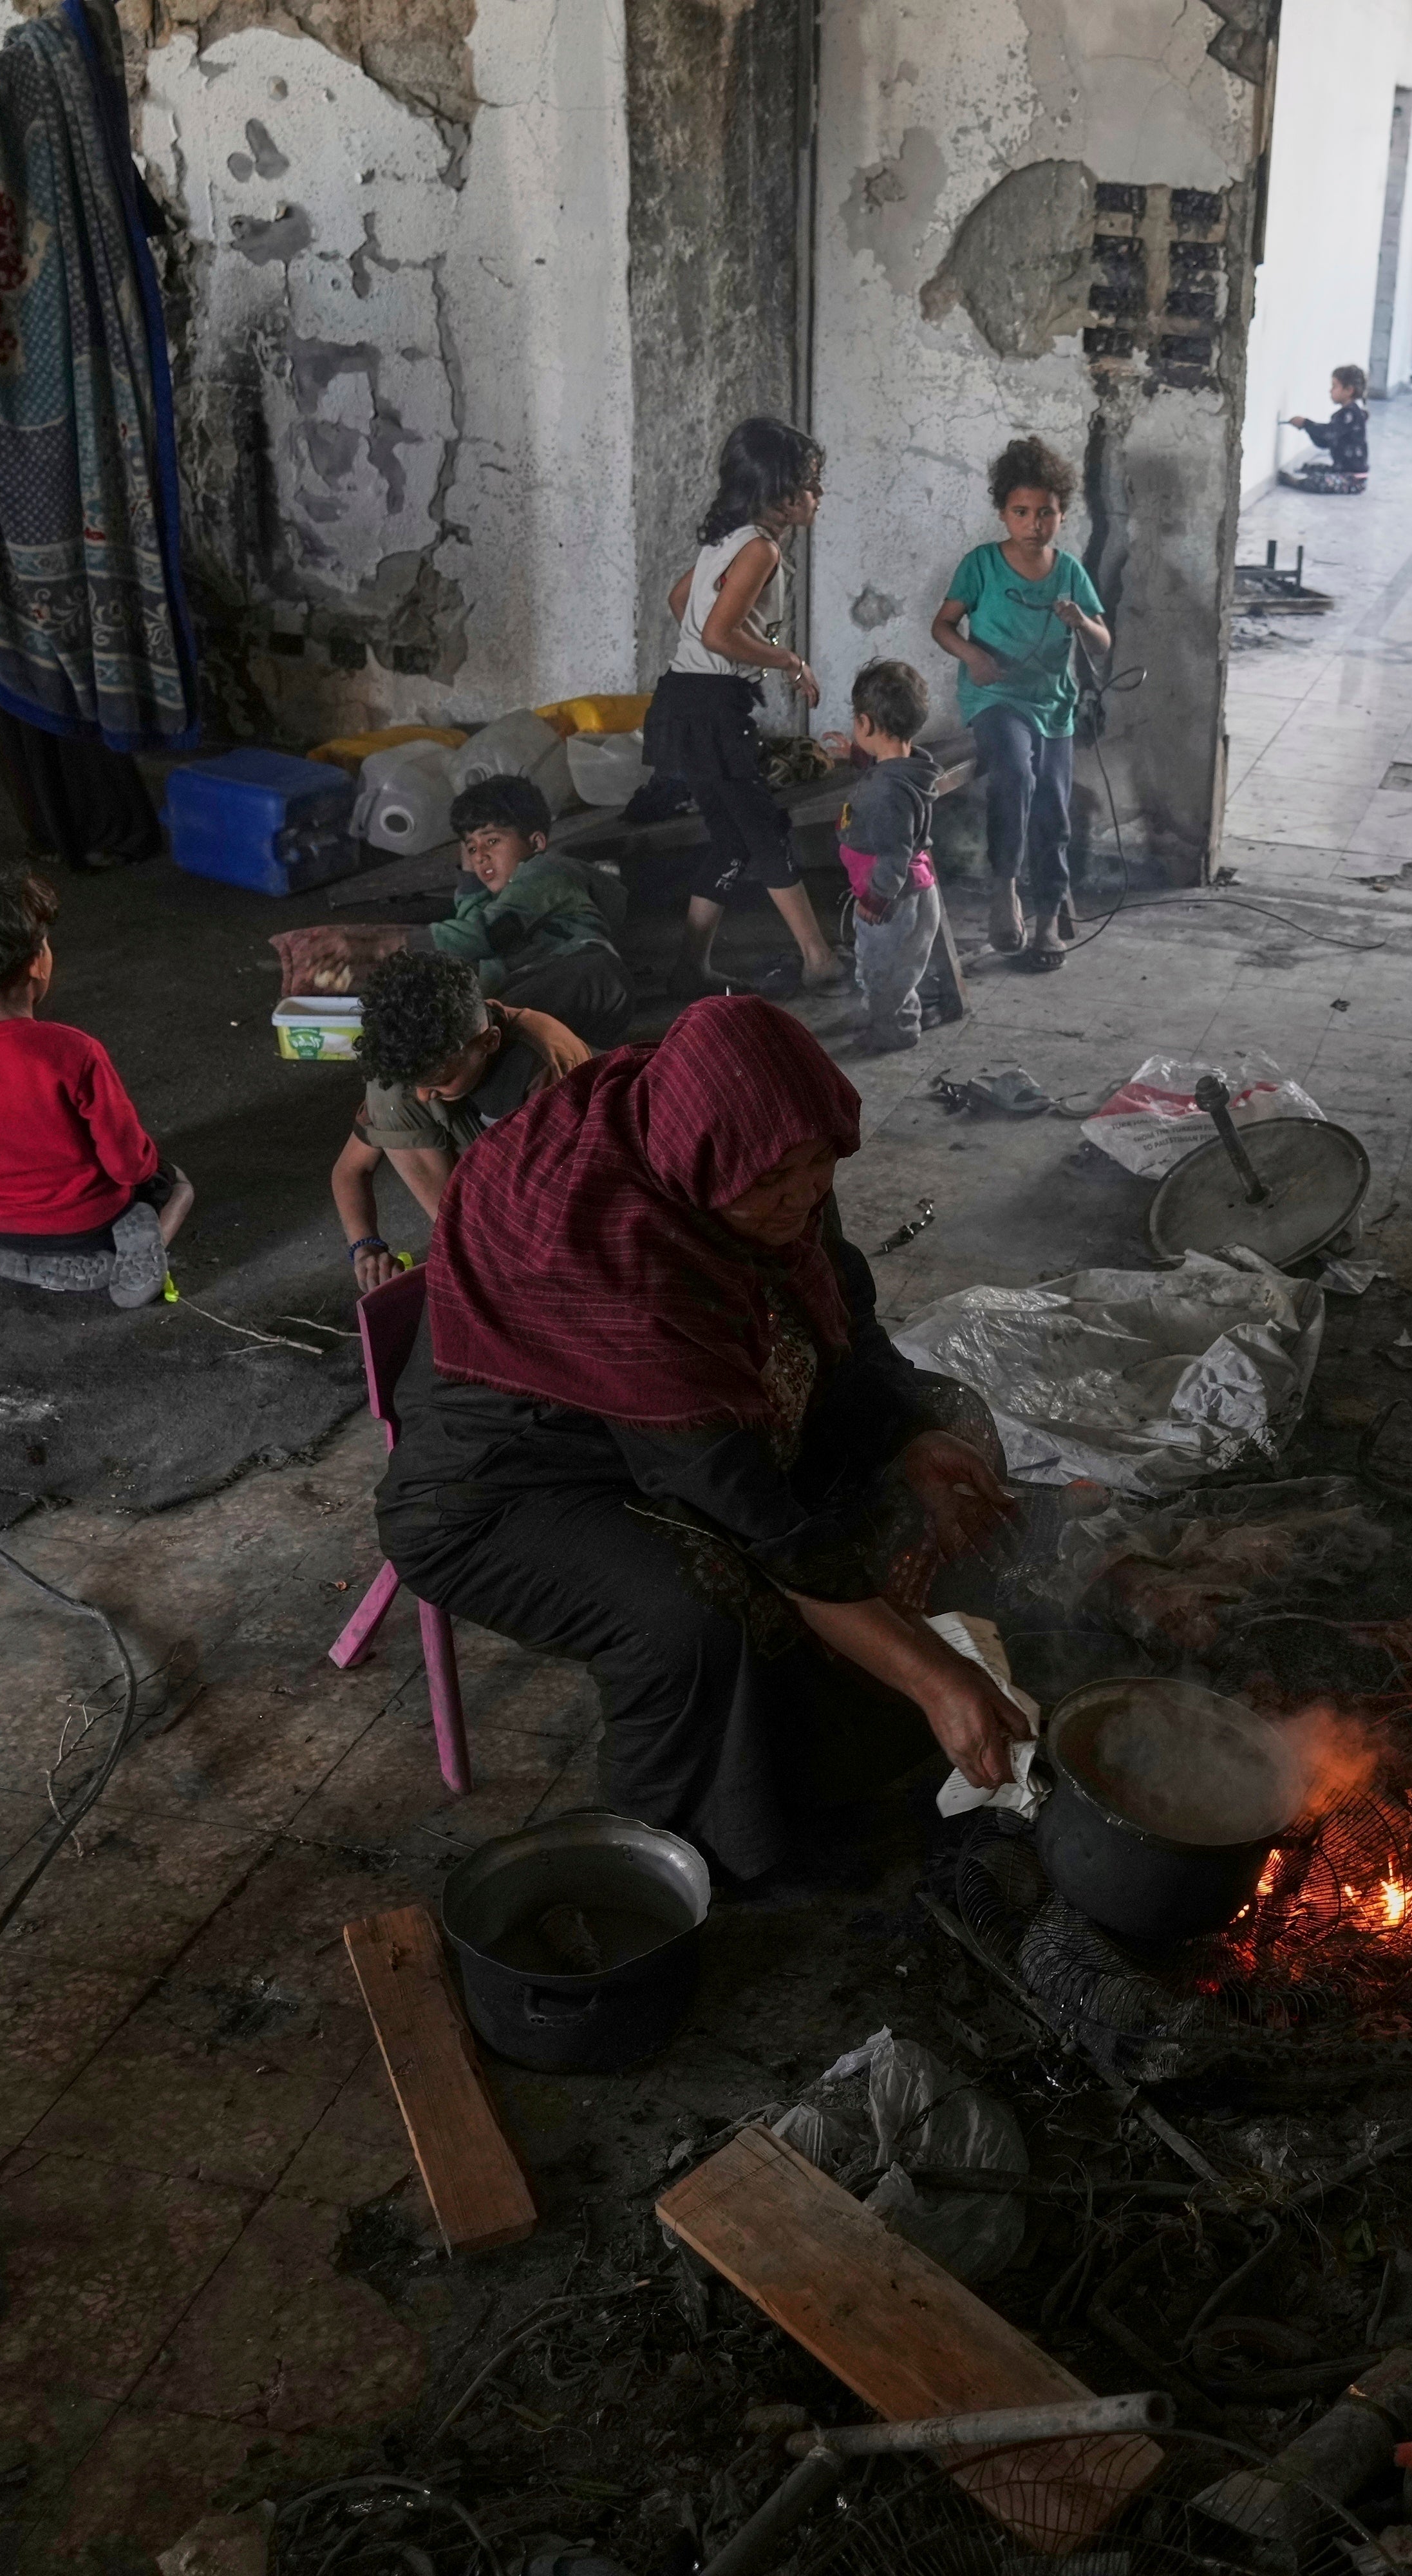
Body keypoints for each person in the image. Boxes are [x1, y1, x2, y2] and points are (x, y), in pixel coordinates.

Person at [373, 997, 1031, 1886]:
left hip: (659, 1427)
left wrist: (911, 1429)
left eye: (818, 1166)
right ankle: (679, 1863)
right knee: (693, 1612)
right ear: (702, 1167)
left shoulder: (741, 1145)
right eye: (773, 1183)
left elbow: (843, 1308)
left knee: (945, 1413)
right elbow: (751, 1511)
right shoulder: (623, 1259)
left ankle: (840, 1730)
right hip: (499, 1492)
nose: (802, 1195)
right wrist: (933, 1677)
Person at [625, 417, 847, 998]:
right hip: (711, 710)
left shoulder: (730, 537)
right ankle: (817, 956)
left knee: (731, 836)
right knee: (764, 831)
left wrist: (721, 653)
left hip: (688, 700)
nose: (819, 495)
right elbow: (721, 634)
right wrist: (788, 661)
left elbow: (683, 603)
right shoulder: (760, 549)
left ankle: (689, 967)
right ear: (778, 492)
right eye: (811, 483)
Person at [0, 866, 196, 1304]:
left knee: (2, 1214)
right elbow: (127, 1165)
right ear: (38, 959)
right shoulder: (72, 1050)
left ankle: (23, 1259)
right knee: (176, 1185)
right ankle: (135, 1241)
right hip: (91, 1221)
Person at [932, 435, 1111, 971]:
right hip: (996, 697)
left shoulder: (1070, 571)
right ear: (1003, 512)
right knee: (1014, 772)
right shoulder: (982, 564)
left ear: (1062, 513)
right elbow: (942, 625)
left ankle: (1049, 918)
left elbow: (1104, 642)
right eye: (1021, 512)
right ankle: (1004, 889)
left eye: (1047, 513)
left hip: (1053, 703)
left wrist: (1082, 622)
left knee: (1055, 805)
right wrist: (973, 657)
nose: (1035, 523)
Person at [331, 949, 592, 1290]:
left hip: (555, 1180)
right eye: (421, 1085)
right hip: (488, 1183)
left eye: (439, 1082)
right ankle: (460, 1242)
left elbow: (573, 1192)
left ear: (489, 1042)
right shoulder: (413, 1071)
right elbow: (350, 1171)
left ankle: (477, 1250)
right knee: (391, 1095)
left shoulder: (545, 1063)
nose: (425, 1097)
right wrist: (366, 1249)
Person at [426, 773, 634, 1042]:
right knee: (478, 1019)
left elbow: (482, 936)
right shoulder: (499, 899)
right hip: (555, 994)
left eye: (492, 841)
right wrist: (470, 881)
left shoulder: (546, 870)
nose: (480, 856)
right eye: (471, 848)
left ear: (536, 843)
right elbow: (476, 932)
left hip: (589, 977)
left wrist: (395, 944)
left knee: (484, 1029)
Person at [828, 659, 965, 1055]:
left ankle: (894, 1030)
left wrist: (876, 897)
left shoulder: (886, 794)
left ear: (865, 724)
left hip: (891, 896)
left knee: (881, 971)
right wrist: (857, 757)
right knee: (902, 968)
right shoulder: (910, 769)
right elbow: (888, 777)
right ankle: (899, 1016)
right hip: (919, 891)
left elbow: (894, 850)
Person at [1279, 364, 1371, 493]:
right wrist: (1307, 428)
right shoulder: (1345, 414)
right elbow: (1324, 443)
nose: (1330, 391)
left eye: (1334, 386)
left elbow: (1328, 433)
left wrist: (1306, 423)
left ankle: (1295, 482)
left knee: (1318, 482)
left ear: (1349, 390)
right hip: (1340, 470)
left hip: (1353, 479)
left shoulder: (1350, 415)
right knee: (1311, 469)